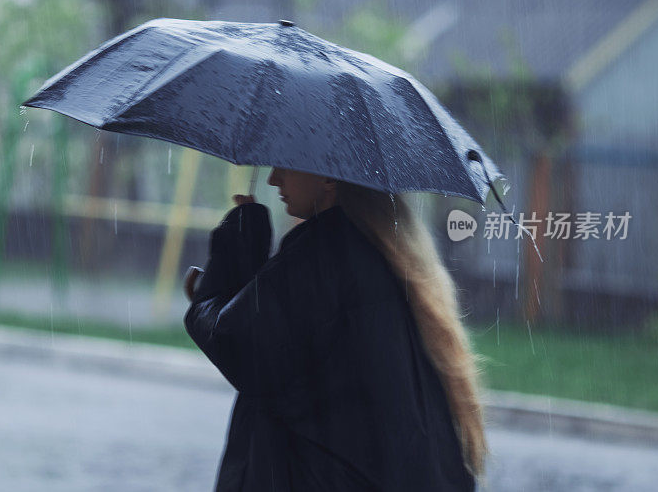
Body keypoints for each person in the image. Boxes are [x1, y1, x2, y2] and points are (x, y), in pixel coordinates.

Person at [183, 166, 487, 491]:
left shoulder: (323, 255)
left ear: (329, 177)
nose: (273, 179)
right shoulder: (387, 253)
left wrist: (235, 244)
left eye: (285, 167)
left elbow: (237, 343)